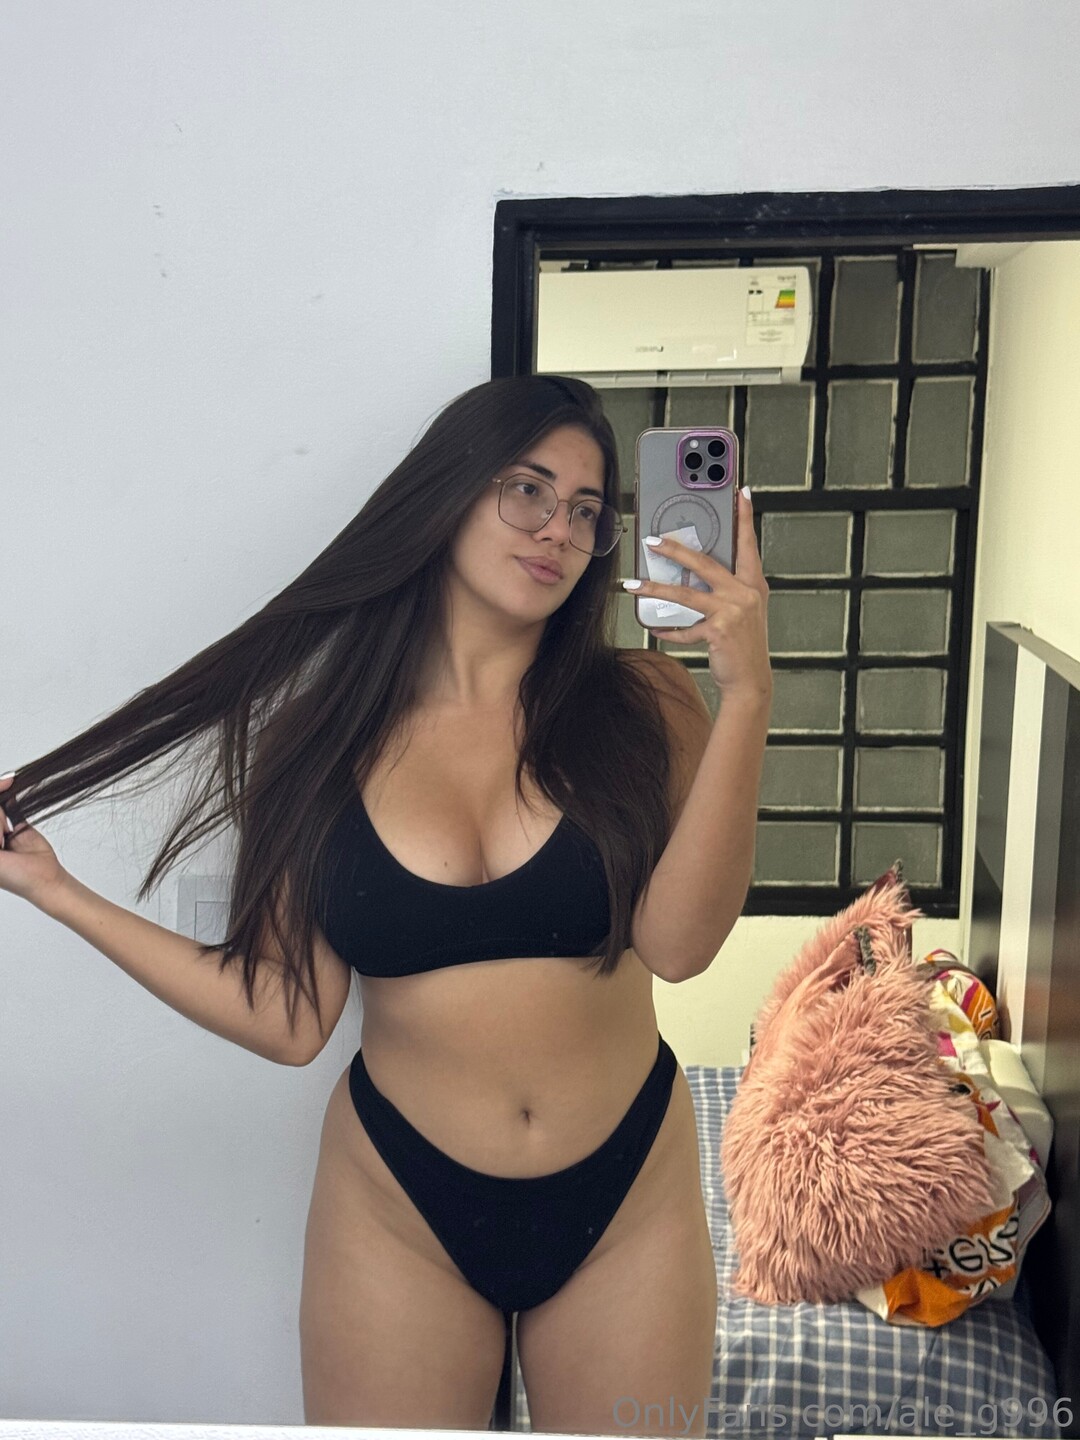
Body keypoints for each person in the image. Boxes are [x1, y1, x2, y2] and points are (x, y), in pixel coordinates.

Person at [0, 374, 772, 1435]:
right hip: (401, 1205)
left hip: (626, 1194)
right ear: (450, 495)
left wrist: (749, 696)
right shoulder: (320, 739)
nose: (558, 528)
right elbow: (288, 1017)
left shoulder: (645, 701)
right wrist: (57, 893)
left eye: (587, 509)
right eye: (528, 490)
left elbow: (680, 948)